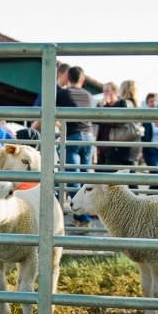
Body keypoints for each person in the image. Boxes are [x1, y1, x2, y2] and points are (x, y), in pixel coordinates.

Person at [65, 66, 94, 228]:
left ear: (68, 78)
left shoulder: (64, 93)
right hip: (88, 137)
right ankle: (82, 217)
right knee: (85, 180)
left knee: (72, 180)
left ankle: (83, 218)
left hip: (73, 136)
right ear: (82, 80)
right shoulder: (89, 95)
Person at [105, 80, 142, 167]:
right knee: (130, 178)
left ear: (123, 90)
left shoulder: (122, 103)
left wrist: (105, 106)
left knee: (110, 176)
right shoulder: (137, 105)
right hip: (134, 146)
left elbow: (112, 120)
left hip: (119, 146)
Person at [95, 82, 118, 165]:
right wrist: (101, 106)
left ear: (115, 92)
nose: (105, 93)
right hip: (101, 145)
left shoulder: (119, 105)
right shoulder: (101, 104)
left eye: (107, 91)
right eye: (104, 91)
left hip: (114, 145)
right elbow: (94, 120)